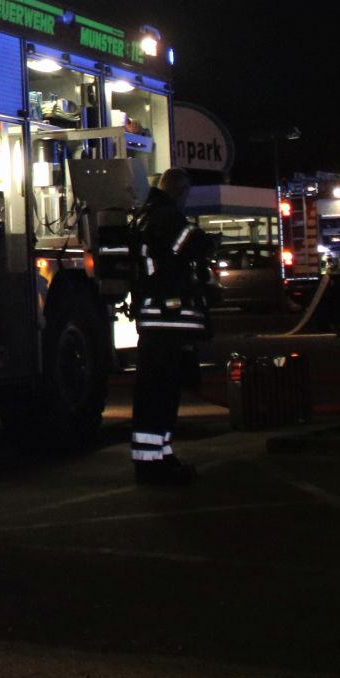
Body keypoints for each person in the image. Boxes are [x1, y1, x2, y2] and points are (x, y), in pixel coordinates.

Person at [130, 167, 210, 486]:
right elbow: (191, 246)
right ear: (180, 190)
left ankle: (160, 456)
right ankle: (154, 465)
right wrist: (205, 241)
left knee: (157, 395)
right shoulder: (167, 217)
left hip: (155, 320)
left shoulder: (146, 216)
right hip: (166, 320)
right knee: (160, 396)